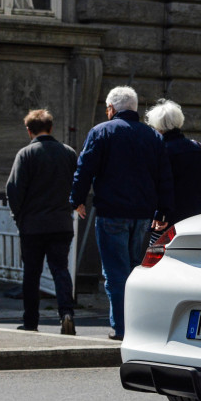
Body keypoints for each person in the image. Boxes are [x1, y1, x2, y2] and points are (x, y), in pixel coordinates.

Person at [70, 86, 173, 340]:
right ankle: (137, 326)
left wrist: (77, 199)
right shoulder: (153, 136)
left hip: (112, 212)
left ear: (111, 109)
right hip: (143, 215)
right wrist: (163, 211)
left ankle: (122, 328)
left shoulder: (101, 132)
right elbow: (164, 177)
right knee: (134, 270)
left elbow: (85, 168)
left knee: (115, 273)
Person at [6, 109, 78, 335]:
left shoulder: (25, 155)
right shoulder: (68, 153)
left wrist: (19, 217)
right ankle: (66, 313)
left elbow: (13, 189)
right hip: (61, 223)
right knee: (60, 270)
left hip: (33, 225)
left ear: (29, 130)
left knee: (32, 273)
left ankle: (30, 320)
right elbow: (78, 185)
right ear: (51, 127)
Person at [145, 99, 201, 226]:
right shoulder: (197, 147)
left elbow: (160, 185)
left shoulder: (160, 150)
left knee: (158, 245)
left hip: (170, 218)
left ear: (158, 127)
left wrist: (160, 214)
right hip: (199, 214)